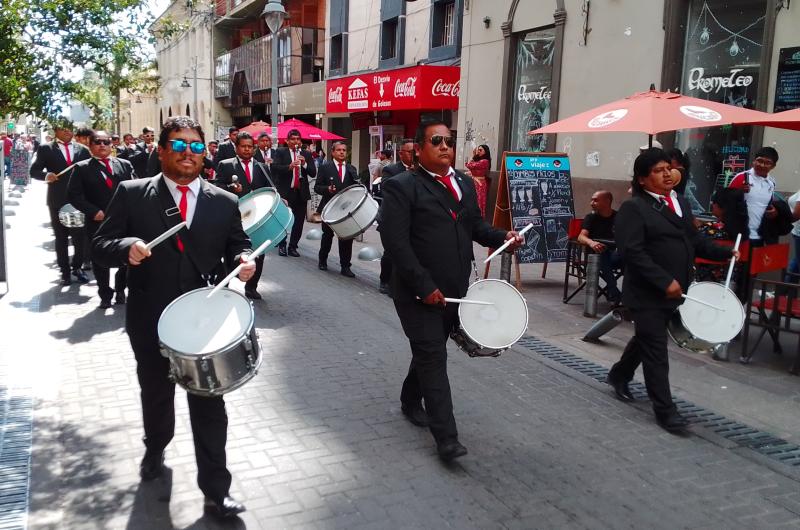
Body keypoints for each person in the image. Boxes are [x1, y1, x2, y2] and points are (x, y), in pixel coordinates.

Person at [92, 116, 254, 518]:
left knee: (209, 404)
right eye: (178, 145)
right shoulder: (132, 194)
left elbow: (239, 242)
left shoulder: (224, 202)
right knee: (157, 394)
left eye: (196, 146)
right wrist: (126, 246)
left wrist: (243, 259)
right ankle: (155, 448)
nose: (188, 153)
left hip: (203, 322)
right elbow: (100, 242)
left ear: (206, 153)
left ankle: (217, 491)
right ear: (161, 150)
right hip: (150, 317)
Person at [380, 119, 524, 461]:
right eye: (437, 141)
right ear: (419, 148)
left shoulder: (462, 181)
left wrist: (502, 237)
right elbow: (396, 243)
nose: (445, 146)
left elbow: (474, 225)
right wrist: (424, 285)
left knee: (429, 350)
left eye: (449, 141)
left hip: (456, 291)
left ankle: (410, 399)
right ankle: (446, 438)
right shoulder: (401, 186)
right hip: (418, 292)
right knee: (434, 355)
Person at [607, 149, 737, 433]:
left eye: (668, 168)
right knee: (656, 350)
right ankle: (666, 411)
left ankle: (619, 374)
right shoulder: (634, 208)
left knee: (646, 341)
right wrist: (663, 281)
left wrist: (724, 253)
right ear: (642, 180)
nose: (667, 174)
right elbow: (633, 252)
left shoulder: (679, 202)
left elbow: (693, 239)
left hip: (678, 291)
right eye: (657, 170)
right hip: (647, 292)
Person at [67, 130, 134, 308]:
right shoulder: (82, 168)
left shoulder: (125, 165)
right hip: (98, 222)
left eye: (106, 142)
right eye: (97, 142)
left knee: (126, 257)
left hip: (124, 220)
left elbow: (136, 189)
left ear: (112, 145)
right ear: (90, 146)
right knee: (100, 259)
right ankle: (105, 293)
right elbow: (74, 195)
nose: (102, 145)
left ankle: (121, 289)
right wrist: (93, 211)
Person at [29, 123, 91, 285]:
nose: (67, 132)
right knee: (61, 237)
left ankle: (77, 267)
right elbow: (34, 171)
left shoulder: (83, 150)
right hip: (57, 200)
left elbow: (89, 173)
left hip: (79, 201)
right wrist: (46, 175)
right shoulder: (46, 149)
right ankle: (64, 272)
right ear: (55, 131)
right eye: (64, 129)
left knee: (80, 237)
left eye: (70, 129)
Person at [215, 131, 274, 299]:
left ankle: (251, 287)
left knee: (258, 253)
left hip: (256, 218)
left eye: (250, 146)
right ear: (236, 148)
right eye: (243, 146)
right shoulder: (226, 165)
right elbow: (217, 186)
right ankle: (224, 285)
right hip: (232, 216)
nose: (247, 149)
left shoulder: (261, 166)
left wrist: (279, 198)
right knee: (228, 251)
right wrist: (231, 189)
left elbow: (270, 188)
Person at [377, 139, 416, 294]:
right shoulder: (391, 170)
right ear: (401, 153)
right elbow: (388, 189)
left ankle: (402, 282)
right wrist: (409, 175)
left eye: (416, 152)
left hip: (412, 220)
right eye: (410, 152)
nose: (414, 155)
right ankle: (385, 280)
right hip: (392, 220)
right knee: (391, 253)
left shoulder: (422, 170)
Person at [314, 141, 359, 277]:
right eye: (338, 150)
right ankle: (323, 260)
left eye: (344, 150)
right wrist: (327, 189)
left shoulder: (352, 169)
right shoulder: (325, 168)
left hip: (346, 209)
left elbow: (356, 187)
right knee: (327, 235)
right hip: (329, 207)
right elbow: (317, 187)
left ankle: (345, 265)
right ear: (333, 152)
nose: (341, 152)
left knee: (346, 237)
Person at [272, 129, 316, 257]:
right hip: (286, 191)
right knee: (283, 220)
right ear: (287, 141)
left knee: (299, 221)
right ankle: (282, 245)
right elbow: (274, 168)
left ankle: (293, 246)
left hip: (300, 192)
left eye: (298, 139)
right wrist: (289, 167)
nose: (296, 142)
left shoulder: (306, 154)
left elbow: (313, 172)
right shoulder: (281, 152)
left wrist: (305, 164)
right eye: (293, 139)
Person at [694, 188, 749, 284]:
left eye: (714, 202)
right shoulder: (744, 231)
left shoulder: (708, 229)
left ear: (721, 206)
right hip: (733, 284)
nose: (712, 205)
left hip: (704, 283)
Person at [728, 147, 780, 246]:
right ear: (754, 161)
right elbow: (724, 202)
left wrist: (774, 212)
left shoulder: (771, 183)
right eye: (759, 161)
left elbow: (768, 205)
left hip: (760, 237)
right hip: (739, 236)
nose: (762, 165)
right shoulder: (741, 177)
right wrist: (739, 192)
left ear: (773, 166)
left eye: (767, 162)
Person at [577, 190, 622, 304]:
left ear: (607, 201)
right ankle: (614, 292)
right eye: (591, 200)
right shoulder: (590, 217)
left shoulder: (619, 217)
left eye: (596, 200)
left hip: (615, 255)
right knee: (602, 255)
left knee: (630, 257)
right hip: (595, 256)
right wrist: (591, 243)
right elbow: (581, 237)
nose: (592, 203)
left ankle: (625, 295)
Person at [465, 144, 492, 218]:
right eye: (478, 150)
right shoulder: (480, 160)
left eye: (480, 150)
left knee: (479, 202)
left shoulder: (485, 161)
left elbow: (469, 165)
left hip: (479, 184)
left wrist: (473, 156)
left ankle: (478, 220)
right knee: (473, 201)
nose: (478, 152)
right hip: (474, 183)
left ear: (485, 152)